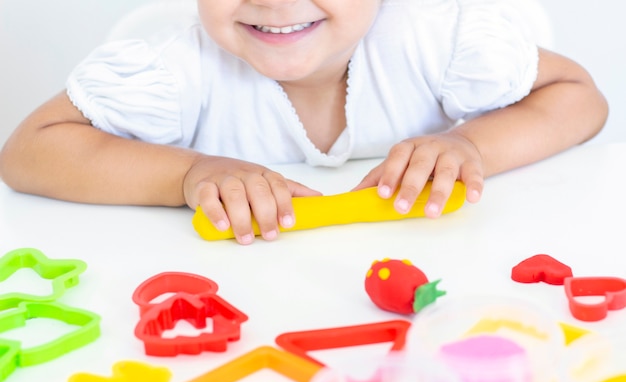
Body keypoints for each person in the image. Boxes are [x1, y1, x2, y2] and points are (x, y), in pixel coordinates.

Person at [0, 0, 608, 245]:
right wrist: (187, 174)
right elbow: (29, 151)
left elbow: (579, 96)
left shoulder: (434, 39)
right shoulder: (176, 66)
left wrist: (470, 144)